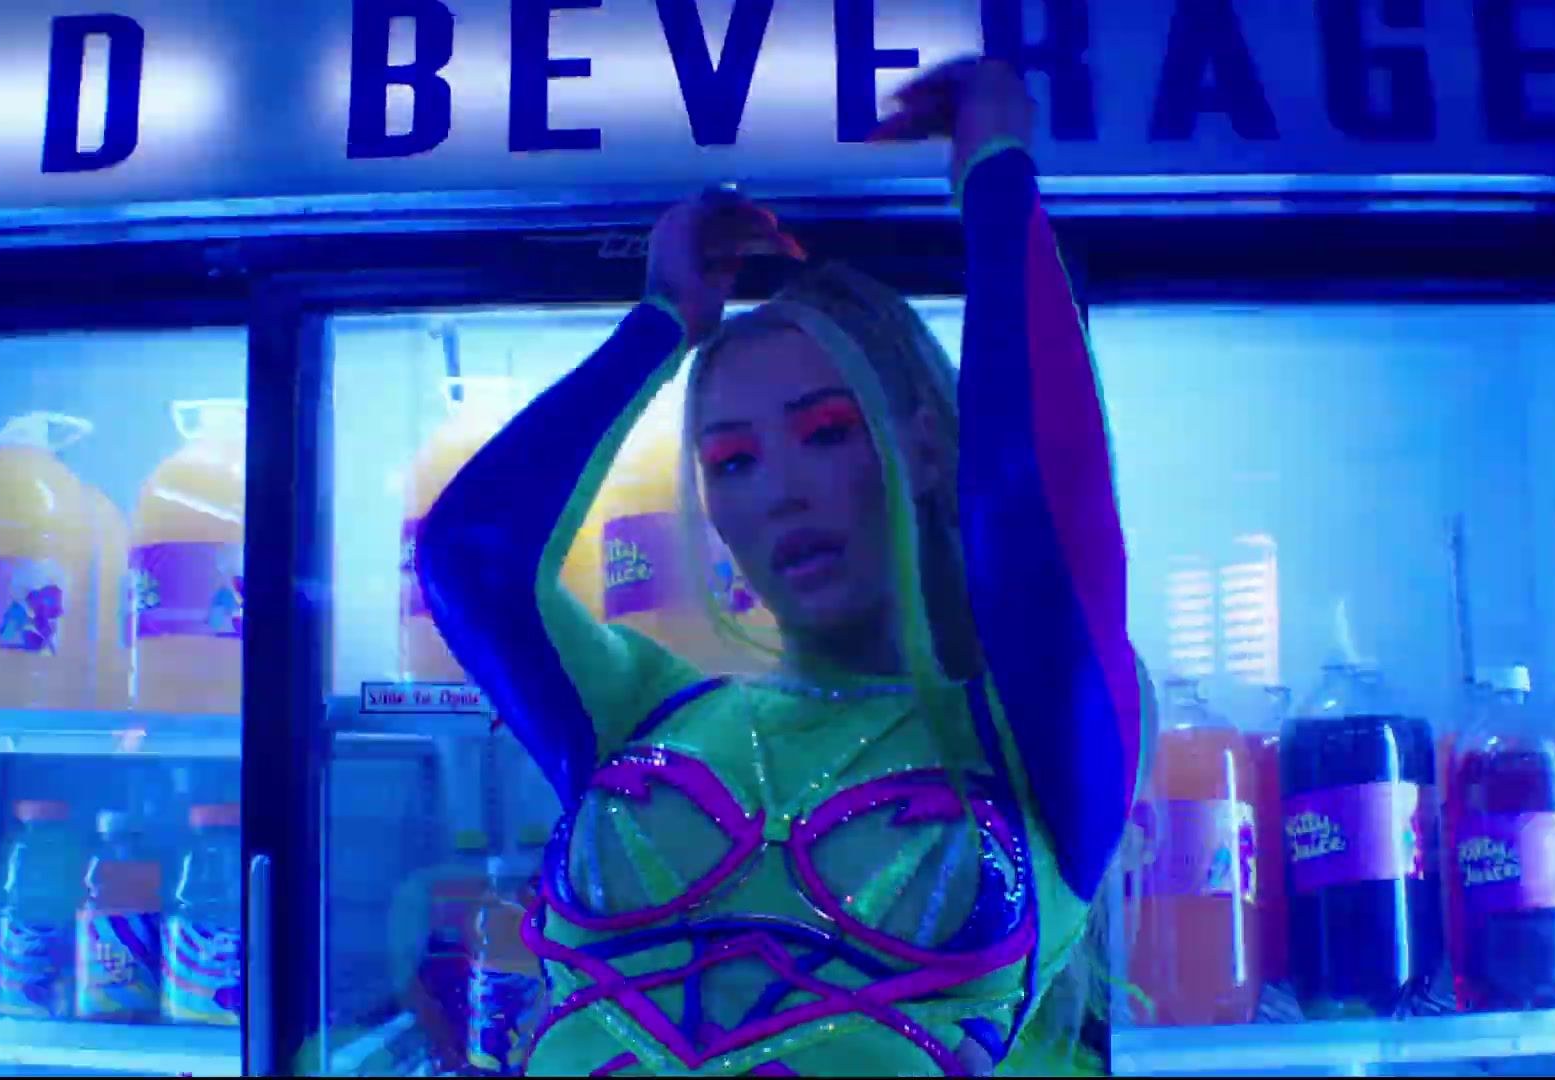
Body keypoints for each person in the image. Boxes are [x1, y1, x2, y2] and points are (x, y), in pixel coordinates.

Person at [416, 56, 1152, 1077]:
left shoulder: (1026, 735)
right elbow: (469, 556)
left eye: (827, 432)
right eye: (732, 460)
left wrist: (993, 173)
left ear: (927, 450)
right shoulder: (645, 711)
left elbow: (1034, 517)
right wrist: (660, 325)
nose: (781, 494)